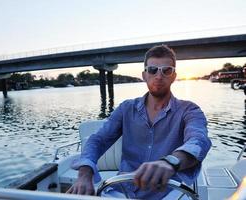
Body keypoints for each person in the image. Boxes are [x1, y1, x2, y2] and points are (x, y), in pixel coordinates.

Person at [67, 45, 212, 199]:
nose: (159, 76)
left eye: (166, 70)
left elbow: (199, 140)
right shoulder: (126, 108)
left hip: (169, 191)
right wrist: (85, 173)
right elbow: (98, 140)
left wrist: (170, 162)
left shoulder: (189, 110)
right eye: (152, 70)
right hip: (122, 189)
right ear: (144, 75)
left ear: (174, 76)